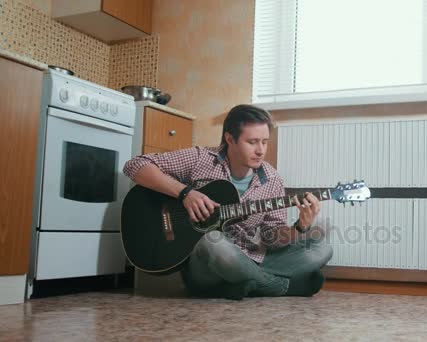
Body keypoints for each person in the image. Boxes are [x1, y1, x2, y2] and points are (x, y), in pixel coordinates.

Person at [123, 104, 333, 300]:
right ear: (230, 139)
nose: (261, 150)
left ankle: (242, 284)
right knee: (214, 241)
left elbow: (271, 239)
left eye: (265, 141)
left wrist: (300, 227)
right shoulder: (201, 159)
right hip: (207, 262)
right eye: (252, 142)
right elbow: (135, 165)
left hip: (248, 257)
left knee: (321, 248)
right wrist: (185, 194)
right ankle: (280, 287)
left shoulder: (272, 179)